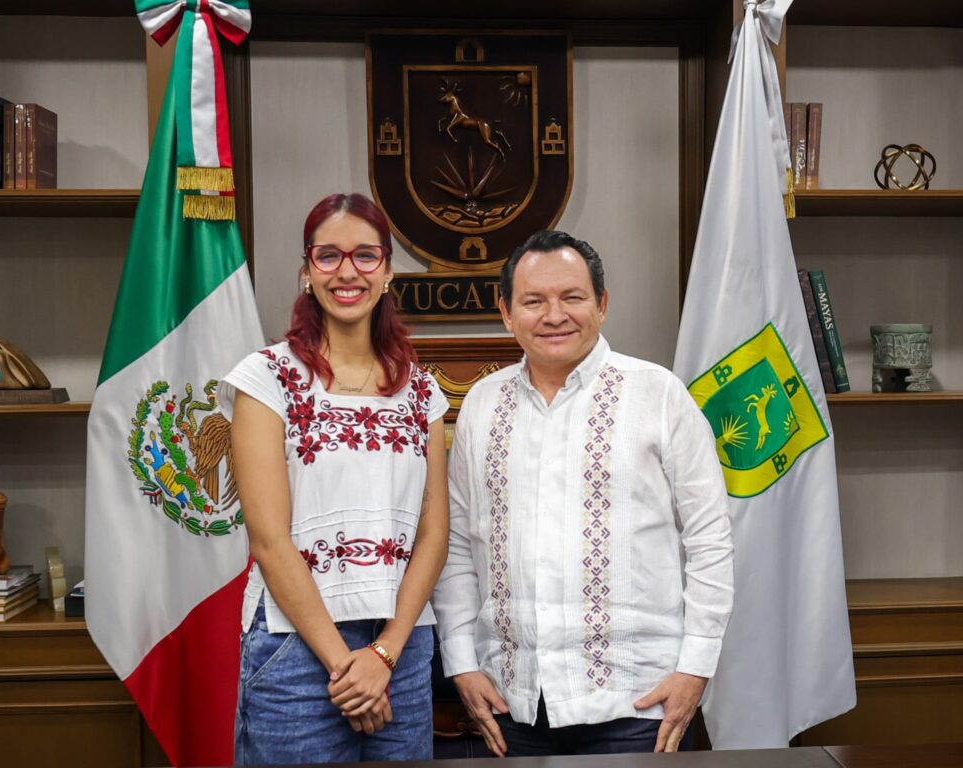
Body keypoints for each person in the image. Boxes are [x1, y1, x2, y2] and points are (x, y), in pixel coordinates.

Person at [431, 229, 734, 756]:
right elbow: (457, 544)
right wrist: (460, 662)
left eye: (572, 297)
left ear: (602, 305)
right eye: (533, 301)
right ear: (506, 313)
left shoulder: (658, 394)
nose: (554, 315)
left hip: (638, 703)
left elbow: (710, 539)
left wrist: (695, 668)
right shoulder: (481, 404)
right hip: (513, 703)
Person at [219, 193, 450, 764]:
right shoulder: (266, 379)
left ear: (388, 272)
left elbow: (434, 535)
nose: (348, 272)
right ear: (307, 270)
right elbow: (269, 542)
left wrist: (385, 654)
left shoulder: (422, 390)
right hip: (296, 647)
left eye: (365, 255)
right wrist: (346, 666)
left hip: (402, 648)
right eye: (329, 256)